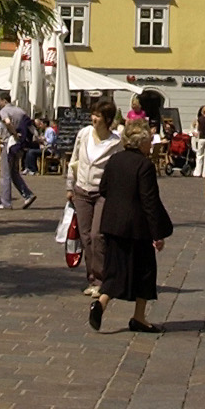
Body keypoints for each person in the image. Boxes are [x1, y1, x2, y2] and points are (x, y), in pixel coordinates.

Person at [90, 120, 174, 334]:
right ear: (142, 143)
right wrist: (158, 234)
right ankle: (139, 316)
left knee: (115, 268)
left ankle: (101, 302)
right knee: (145, 271)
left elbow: (104, 188)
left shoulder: (115, 160)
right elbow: (149, 201)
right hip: (136, 228)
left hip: (111, 224)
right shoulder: (144, 165)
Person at [67, 98, 124, 297]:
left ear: (107, 119)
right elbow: (74, 159)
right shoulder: (84, 134)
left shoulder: (115, 142)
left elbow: (118, 169)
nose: (94, 118)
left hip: (103, 193)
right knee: (84, 236)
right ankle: (91, 278)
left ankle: (102, 279)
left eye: (98, 116)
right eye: (93, 114)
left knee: (97, 235)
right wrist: (69, 186)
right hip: (82, 190)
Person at [0, 92, 37, 209]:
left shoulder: (4, 111)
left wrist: (14, 134)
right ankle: (27, 194)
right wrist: (37, 138)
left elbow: (7, 122)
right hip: (20, 145)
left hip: (10, 143)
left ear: (4, 100)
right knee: (14, 172)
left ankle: (6, 202)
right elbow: (31, 126)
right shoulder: (20, 110)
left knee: (5, 174)